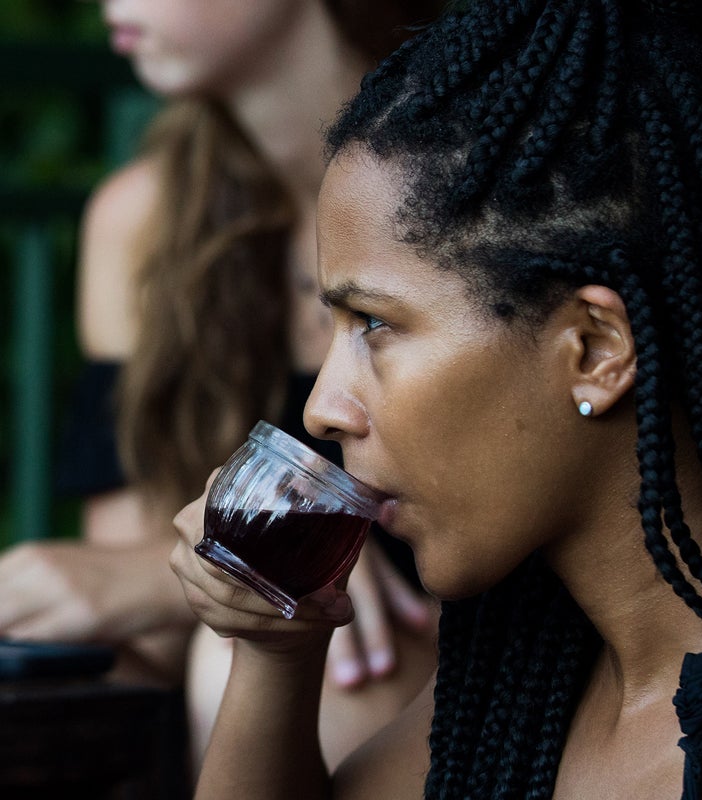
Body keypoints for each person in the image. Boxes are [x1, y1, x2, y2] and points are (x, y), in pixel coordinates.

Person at [168, 0, 702, 797]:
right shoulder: (523, 691)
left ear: (596, 350)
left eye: (373, 323)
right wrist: (275, 652)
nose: (322, 409)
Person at [0, 0, 443, 775]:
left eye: (370, 323)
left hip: (457, 641)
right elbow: (124, 592)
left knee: (299, 666)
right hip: (240, 658)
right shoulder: (146, 219)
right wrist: (264, 561)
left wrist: (262, 563)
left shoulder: (478, 183)